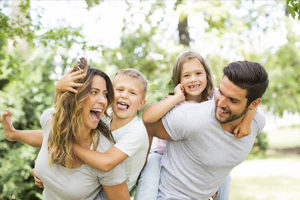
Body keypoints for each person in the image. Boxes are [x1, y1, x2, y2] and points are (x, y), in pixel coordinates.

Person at [1, 67, 149, 198]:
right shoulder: (104, 116)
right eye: (119, 90)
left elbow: (106, 163)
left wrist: (69, 145)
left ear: (142, 103)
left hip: (111, 191)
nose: (123, 96)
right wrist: (59, 89)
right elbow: (54, 131)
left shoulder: (135, 132)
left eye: (132, 93)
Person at [135, 51, 255, 200]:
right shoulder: (174, 102)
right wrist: (177, 98)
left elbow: (252, 97)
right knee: (149, 183)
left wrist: (248, 121)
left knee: (225, 178)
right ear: (178, 79)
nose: (193, 79)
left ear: (207, 75)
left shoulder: (216, 97)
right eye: (186, 75)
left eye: (198, 73)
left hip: (197, 159)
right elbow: (148, 117)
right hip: (162, 154)